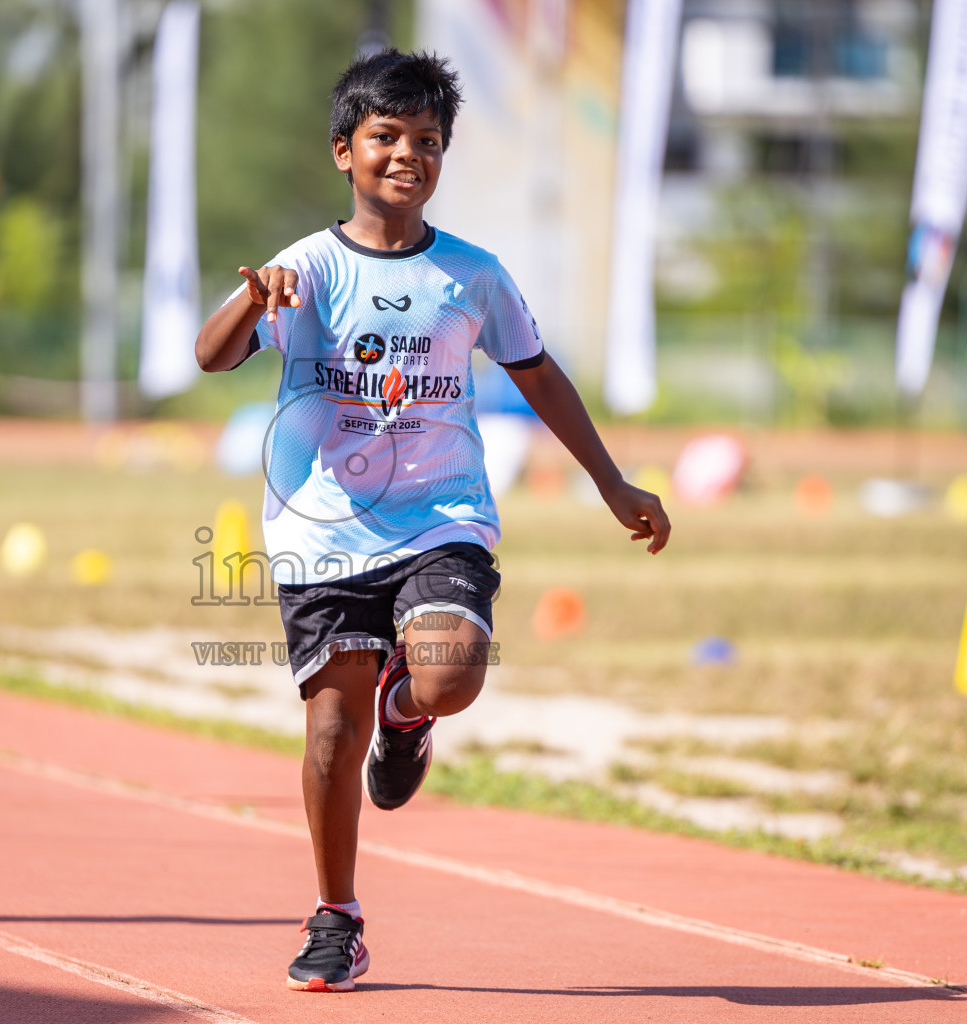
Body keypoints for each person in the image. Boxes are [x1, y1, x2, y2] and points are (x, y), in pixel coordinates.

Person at [194, 50, 669, 992]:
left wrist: (612, 482)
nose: (408, 154)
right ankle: (336, 916)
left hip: (440, 517)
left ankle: (405, 715)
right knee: (331, 733)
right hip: (323, 529)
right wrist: (253, 297)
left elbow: (539, 376)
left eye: (428, 140)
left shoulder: (473, 275)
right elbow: (212, 356)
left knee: (450, 675)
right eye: (387, 136)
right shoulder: (306, 267)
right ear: (344, 150)